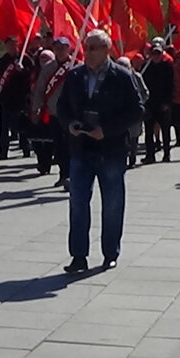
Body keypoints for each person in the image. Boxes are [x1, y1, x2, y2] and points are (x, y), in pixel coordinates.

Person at [58, 30, 144, 273]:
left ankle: (110, 253)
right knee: (77, 203)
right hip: (81, 149)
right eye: (87, 47)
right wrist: (70, 125)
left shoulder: (122, 76)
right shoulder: (75, 76)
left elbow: (137, 109)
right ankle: (78, 256)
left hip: (111, 149)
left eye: (94, 48)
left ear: (107, 50)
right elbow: (62, 106)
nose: (89, 52)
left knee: (113, 203)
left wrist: (107, 130)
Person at [31, 37, 75, 188]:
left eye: (63, 48)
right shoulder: (48, 68)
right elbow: (40, 89)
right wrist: (36, 107)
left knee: (72, 145)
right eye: (57, 48)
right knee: (60, 145)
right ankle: (64, 174)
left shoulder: (76, 65)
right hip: (54, 112)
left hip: (72, 113)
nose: (60, 51)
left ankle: (72, 175)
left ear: (68, 49)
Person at [0, 36, 32, 160]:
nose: (11, 47)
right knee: (4, 125)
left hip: (21, 97)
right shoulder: (2, 61)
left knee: (22, 124)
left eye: (14, 44)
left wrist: (22, 71)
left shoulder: (25, 59)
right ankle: (3, 151)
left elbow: (32, 76)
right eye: (9, 44)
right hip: (6, 98)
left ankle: (25, 147)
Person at [140, 46, 174, 163]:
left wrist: (167, 102)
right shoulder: (146, 67)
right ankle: (150, 155)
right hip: (149, 104)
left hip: (163, 103)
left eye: (158, 54)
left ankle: (166, 154)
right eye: (154, 54)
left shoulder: (167, 67)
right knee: (149, 131)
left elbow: (171, 86)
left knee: (165, 130)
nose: (156, 56)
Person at [116, 56, 148, 168]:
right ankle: (122, 158)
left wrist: (139, 104)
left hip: (133, 113)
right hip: (119, 114)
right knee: (121, 138)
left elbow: (145, 93)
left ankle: (132, 159)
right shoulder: (113, 78)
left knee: (133, 137)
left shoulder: (136, 77)